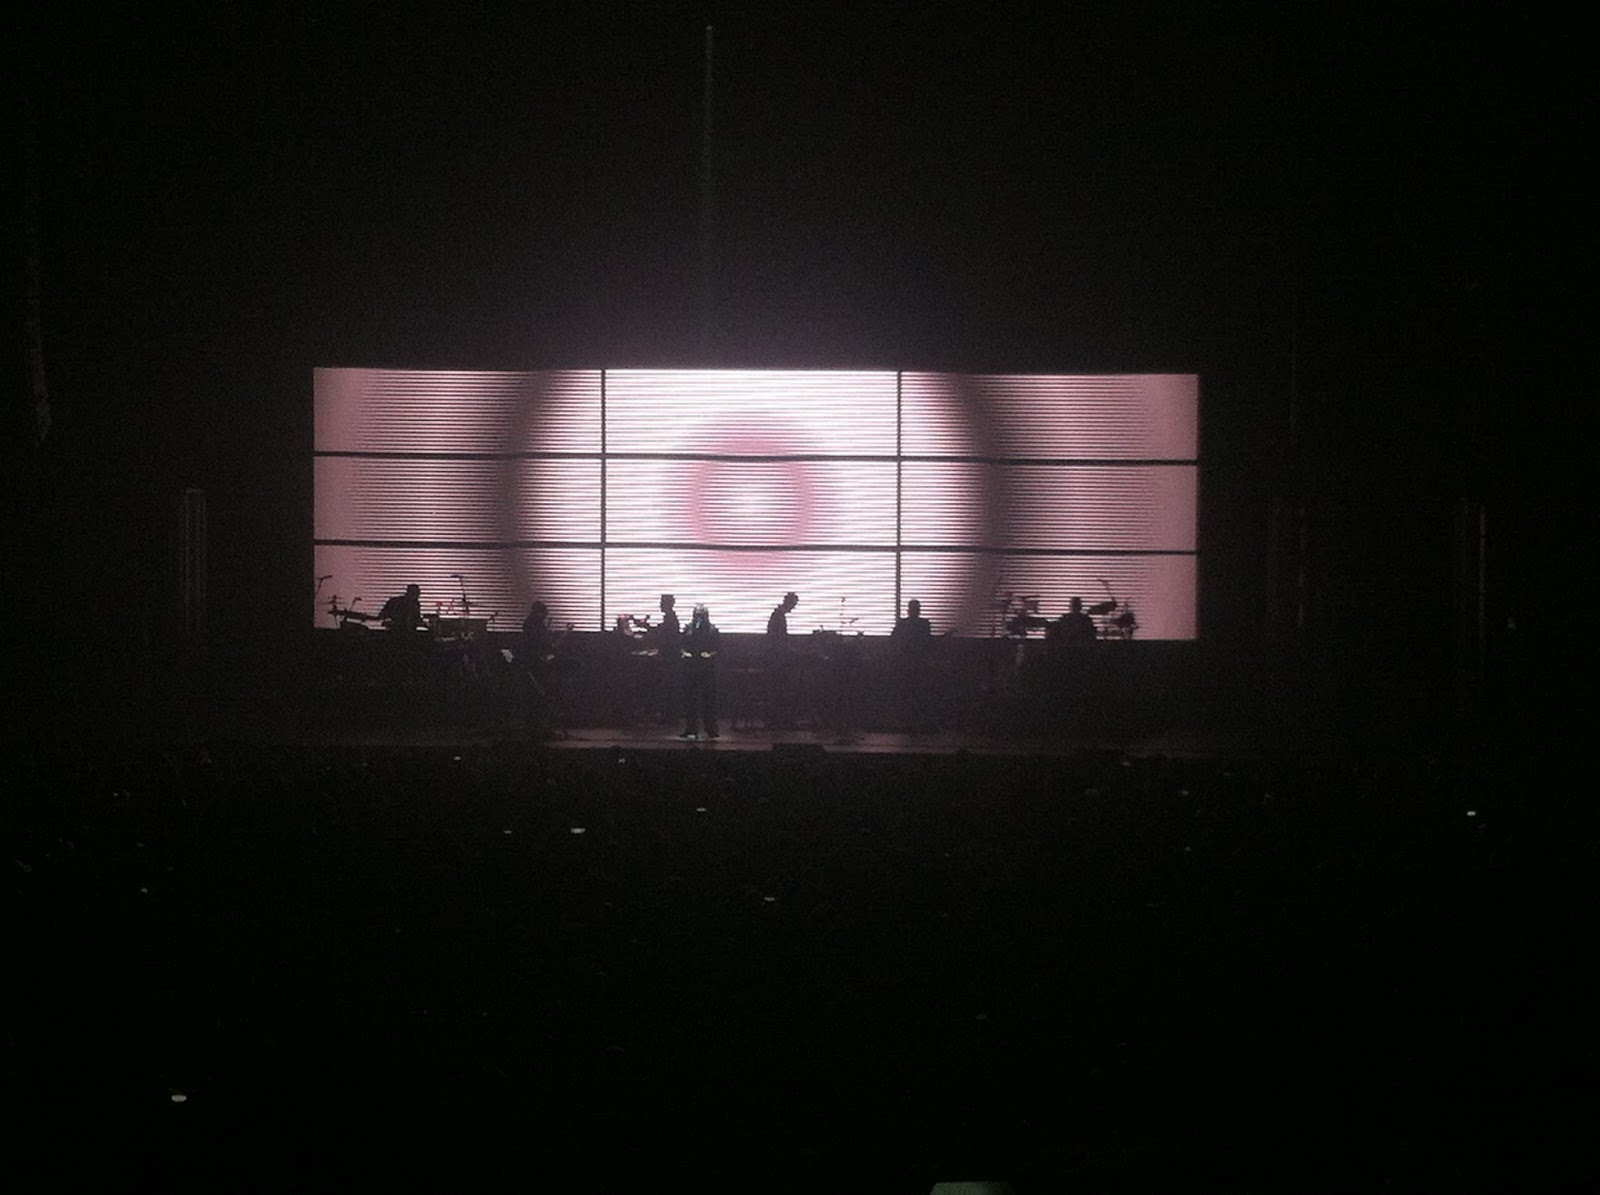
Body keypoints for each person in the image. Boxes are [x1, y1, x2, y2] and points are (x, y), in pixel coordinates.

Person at [890, 598, 936, 732]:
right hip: (916, 663)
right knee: (915, 693)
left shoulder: (904, 624)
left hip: (908, 663)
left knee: (910, 693)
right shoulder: (923, 624)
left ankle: (908, 722)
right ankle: (913, 722)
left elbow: (893, 640)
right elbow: (929, 643)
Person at [680, 603, 721, 739]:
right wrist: (685, 653)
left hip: (707, 668)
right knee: (690, 700)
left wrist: (709, 655)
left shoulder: (713, 630)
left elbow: (718, 649)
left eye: (701, 616)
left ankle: (710, 728)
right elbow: (681, 646)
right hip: (690, 668)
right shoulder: (687, 629)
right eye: (697, 616)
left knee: (708, 700)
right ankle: (690, 728)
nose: (699, 619)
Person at [765, 591, 799, 729]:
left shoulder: (778, 615)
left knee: (778, 688)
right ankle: (778, 719)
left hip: (776, 656)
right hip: (777, 659)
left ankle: (777, 718)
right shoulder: (779, 616)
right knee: (779, 688)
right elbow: (778, 639)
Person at [654, 594, 681, 722]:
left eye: (662, 602)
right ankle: (670, 715)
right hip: (671, 656)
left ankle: (669, 715)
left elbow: (663, 634)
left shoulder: (670, 619)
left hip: (670, 657)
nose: (660, 605)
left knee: (668, 686)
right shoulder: (671, 618)